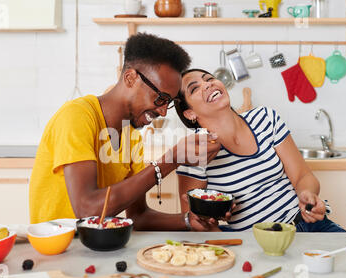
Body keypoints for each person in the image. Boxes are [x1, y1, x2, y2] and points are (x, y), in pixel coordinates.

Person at [29, 34, 221, 231]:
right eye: (160, 98)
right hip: (59, 250)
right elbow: (86, 210)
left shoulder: (131, 136)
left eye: (168, 102)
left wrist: (188, 220)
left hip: (96, 247)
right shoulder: (76, 117)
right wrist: (170, 160)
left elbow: (139, 216)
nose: (163, 111)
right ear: (130, 78)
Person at [174, 68, 346, 232]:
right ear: (189, 113)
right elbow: (192, 221)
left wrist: (308, 195)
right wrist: (213, 228)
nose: (208, 84)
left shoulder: (265, 118)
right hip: (254, 243)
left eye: (209, 78)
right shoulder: (193, 149)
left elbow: (302, 175)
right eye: (195, 88)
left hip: (307, 223)